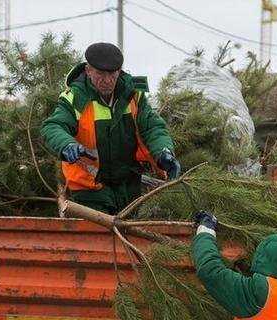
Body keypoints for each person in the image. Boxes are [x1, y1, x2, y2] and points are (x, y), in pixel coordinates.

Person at [41, 42, 180, 214]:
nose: (107, 81)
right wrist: (66, 145)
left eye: (112, 74)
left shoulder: (134, 95)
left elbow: (153, 127)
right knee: (98, 238)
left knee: (128, 235)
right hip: (89, 189)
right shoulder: (75, 99)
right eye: (100, 74)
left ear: (119, 71)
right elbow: (53, 126)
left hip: (128, 186)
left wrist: (163, 151)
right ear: (88, 70)